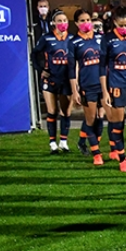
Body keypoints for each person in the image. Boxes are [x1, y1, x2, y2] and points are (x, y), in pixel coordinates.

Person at [32, 9, 78, 153]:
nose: (63, 23)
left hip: (66, 79)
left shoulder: (73, 39)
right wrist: (41, 69)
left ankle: (64, 141)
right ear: (53, 23)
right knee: (52, 111)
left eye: (65, 20)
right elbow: (34, 54)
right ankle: (52, 143)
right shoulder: (46, 38)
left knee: (65, 111)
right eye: (59, 21)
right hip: (50, 78)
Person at [99, 6, 126, 172]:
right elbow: (102, 67)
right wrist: (105, 91)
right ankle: (121, 157)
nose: (124, 28)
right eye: (120, 25)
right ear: (114, 23)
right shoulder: (107, 39)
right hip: (117, 85)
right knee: (118, 123)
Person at [71, 9, 105, 165]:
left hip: (103, 85)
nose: (86, 23)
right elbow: (73, 68)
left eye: (88, 20)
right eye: (82, 20)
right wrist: (75, 89)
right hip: (87, 85)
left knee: (101, 117)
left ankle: (92, 144)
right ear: (77, 23)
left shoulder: (100, 38)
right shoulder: (74, 42)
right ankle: (96, 153)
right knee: (90, 118)